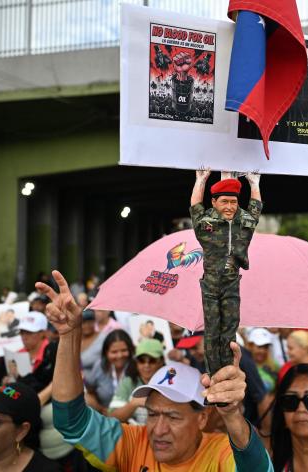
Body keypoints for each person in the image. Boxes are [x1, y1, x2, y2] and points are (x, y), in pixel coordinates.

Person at [40, 270, 273, 471]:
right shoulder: (133, 443)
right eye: (152, 414)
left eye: (173, 417)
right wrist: (70, 335)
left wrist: (231, 415)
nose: (158, 430)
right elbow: (71, 422)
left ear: (202, 418)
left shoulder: (220, 452)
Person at [190, 168, 262, 375]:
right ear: (214, 202)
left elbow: (256, 207)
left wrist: (254, 184)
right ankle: (214, 377)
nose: (230, 207)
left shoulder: (245, 222)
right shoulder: (205, 223)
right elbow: (195, 206)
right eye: (224, 202)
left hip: (232, 283)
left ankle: (228, 373)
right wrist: (201, 180)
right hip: (211, 285)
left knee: (229, 330)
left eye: (233, 202)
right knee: (212, 332)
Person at [109, 338, 165, 424]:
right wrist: (133, 404)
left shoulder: (171, 382)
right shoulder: (128, 382)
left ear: (161, 361)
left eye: (152, 360)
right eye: (141, 360)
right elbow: (111, 418)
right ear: (136, 362)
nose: (146, 365)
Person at [84, 329, 135, 413]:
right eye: (114, 352)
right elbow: (90, 390)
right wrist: (99, 408)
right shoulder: (100, 366)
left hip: (132, 418)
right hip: (104, 414)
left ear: (130, 350)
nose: (119, 355)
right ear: (106, 353)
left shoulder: (138, 366)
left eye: (124, 350)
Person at [14, 311, 57, 393]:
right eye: (22, 332)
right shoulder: (16, 354)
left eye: (29, 332)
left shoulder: (53, 353)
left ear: (43, 333)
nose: (24, 337)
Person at [247, 328, 279, 393]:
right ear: (250, 346)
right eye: (259, 346)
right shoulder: (243, 365)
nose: (263, 351)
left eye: (266, 347)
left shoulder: (274, 365)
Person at [79, 308, 105, 377]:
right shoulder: (76, 340)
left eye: (90, 322)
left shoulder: (103, 338)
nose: (87, 325)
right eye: (83, 322)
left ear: (94, 322)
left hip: (98, 380)